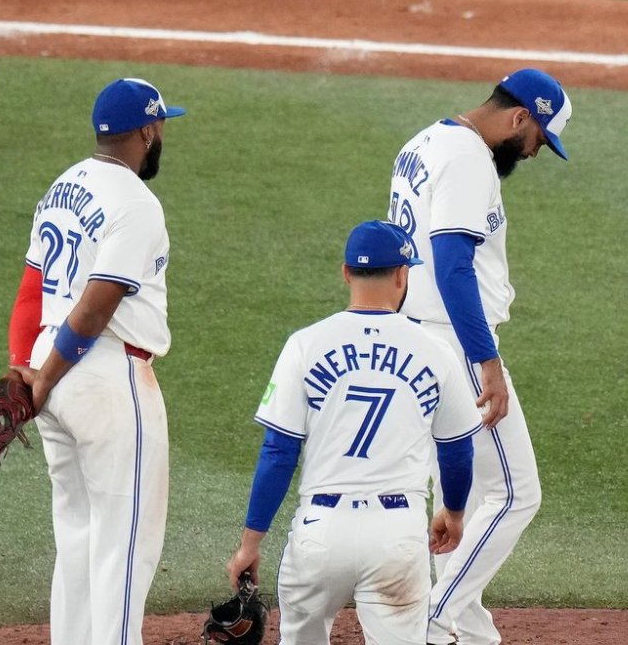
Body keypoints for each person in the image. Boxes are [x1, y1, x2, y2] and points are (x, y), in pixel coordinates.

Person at [225, 220, 481, 645]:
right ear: (403, 276)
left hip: (320, 533)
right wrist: (453, 513)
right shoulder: (435, 350)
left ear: (345, 272)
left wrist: (250, 544)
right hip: (396, 536)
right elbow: (457, 452)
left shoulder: (305, 344)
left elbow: (278, 452)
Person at [387, 68, 572, 645]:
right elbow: (453, 265)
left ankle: (465, 628)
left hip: (413, 331)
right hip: (452, 340)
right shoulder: (468, 158)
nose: (537, 151)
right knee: (515, 493)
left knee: (456, 490)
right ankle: (434, 616)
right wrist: (485, 360)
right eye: (540, 137)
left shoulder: (425, 141)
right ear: (520, 117)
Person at [8, 78, 186, 645]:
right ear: (148, 130)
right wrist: (46, 378)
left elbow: (31, 291)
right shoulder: (135, 202)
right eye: (161, 128)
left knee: (79, 537)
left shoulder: (63, 185)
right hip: (104, 379)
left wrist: (26, 368)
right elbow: (95, 306)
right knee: (126, 546)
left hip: (51, 369)